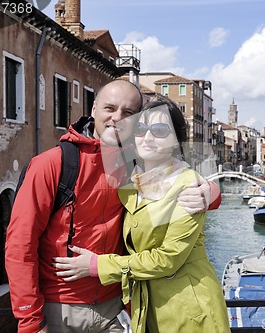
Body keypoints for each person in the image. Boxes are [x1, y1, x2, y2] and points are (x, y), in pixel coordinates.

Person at [5, 80, 221, 333]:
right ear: (94, 108)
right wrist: (29, 321)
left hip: (116, 310)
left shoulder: (132, 163)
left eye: (128, 113)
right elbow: (20, 244)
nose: (117, 118)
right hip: (60, 309)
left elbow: (177, 179)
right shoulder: (52, 164)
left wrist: (211, 194)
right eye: (110, 108)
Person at [53, 98, 231, 333]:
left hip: (189, 311)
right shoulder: (131, 183)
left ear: (176, 140)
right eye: (140, 129)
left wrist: (97, 265)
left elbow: (168, 259)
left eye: (159, 130)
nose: (147, 137)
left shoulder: (187, 185)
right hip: (145, 309)